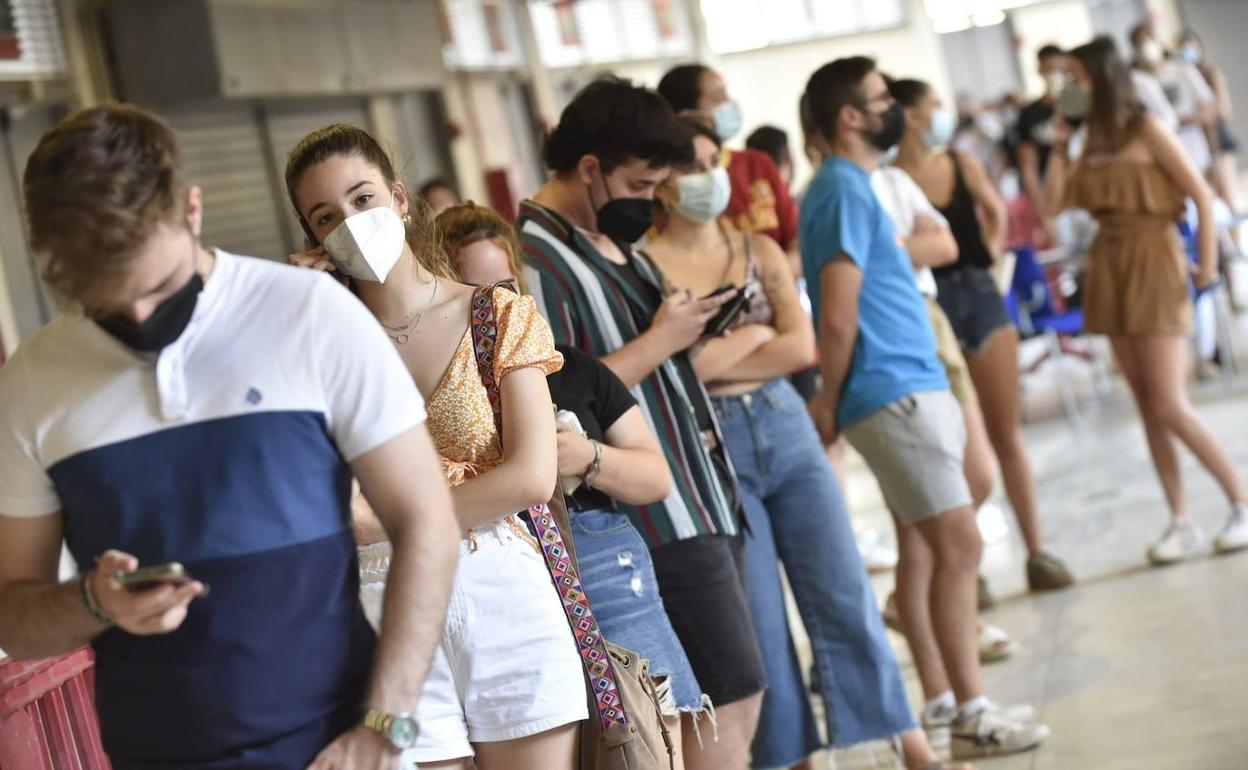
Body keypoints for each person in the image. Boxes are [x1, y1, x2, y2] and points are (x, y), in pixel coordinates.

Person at [0, 105, 460, 770]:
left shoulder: (311, 315)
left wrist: (385, 729)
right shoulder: (32, 383)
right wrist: (93, 601)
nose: (139, 316)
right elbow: (14, 611)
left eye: (157, 285)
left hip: (339, 748)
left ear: (191, 209)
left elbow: (427, 522)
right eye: (104, 302)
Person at [645, 116, 964, 770]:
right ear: (660, 181)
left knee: (842, 589)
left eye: (712, 160)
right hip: (713, 446)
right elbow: (675, 370)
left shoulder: (756, 249)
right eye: (688, 164)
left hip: (786, 424)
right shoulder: (645, 266)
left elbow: (801, 346)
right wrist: (752, 342)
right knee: (761, 620)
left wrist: (720, 350)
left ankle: (910, 745)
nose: (706, 175)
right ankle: (794, 759)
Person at [285, 124, 586, 769]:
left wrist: (391, 519)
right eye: (326, 217)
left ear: (399, 198)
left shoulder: (495, 313)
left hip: (502, 590)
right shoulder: (314, 346)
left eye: (363, 199)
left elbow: (533, 477)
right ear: (313, 242)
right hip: (376, 609)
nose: (351, 222)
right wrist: (294, 310)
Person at [801, 57, 1050, 760]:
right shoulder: (844, 189)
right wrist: (829, 396)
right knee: (960, 542)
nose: (898, 112)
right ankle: (972, 711)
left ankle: (946, 700)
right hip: (890, 386)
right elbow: (840, 310)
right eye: (882, 99)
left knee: (924, 549)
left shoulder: (853, 186)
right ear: (850, 116)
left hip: (908, 377)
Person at [518, 77, 767, 770]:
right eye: (640, 182)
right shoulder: (538, 263)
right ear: (590, 168)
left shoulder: (611, 244)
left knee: (726, 698)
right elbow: (564, 400)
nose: (652, 199)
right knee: (714, 704)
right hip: (651, 518)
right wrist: (660, 340)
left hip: (699, 490)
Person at [437, 201, 712, 768]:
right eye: (476, 291)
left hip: (603, 560)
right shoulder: (437, 393)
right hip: (501, 569)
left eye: (506, 286)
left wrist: (585, 457)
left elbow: (656, 476)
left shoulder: (573, 368)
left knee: (648, 735)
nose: (497, 307)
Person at [1043, 40, 1248, 564]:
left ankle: (1240, 500)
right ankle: (1181, 519)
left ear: (1101, 78)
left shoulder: (1148, 129)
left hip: (1154, 256)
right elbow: (1055, 204)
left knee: (1169, 402)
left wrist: (1205, 266)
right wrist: (1060, 144)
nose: (1069, 88)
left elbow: (1201, 195)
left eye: (1077, 77)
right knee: (1146, 406)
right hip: (1108, 261)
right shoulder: (1086, 140)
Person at [891, 77, 1075, 593]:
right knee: (954, 444)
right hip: (928, 304)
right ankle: (965, 564)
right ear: (912, 116)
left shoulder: (957, 162)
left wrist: (991, 255)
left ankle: (1037, 551)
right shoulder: (891, 179)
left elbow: (995, 212)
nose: (941, 114)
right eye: (932, 107)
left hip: (978, 293)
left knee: (1005, 432)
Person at [658, 64, 802, 268]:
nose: (729, 104)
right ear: (686, 115)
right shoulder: (670, 183)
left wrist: (770, 281)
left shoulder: (757, 163)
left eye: (715, 163)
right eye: (717, 98)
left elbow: (795, 240)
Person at [1176, 30, 1239, 232]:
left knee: (1228, 196)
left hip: (1217, 141)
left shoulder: (1210, 72)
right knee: (1209, 199)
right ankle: (1226, 248)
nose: (1186, 50)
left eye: (1190, 45)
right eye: (1182, 46)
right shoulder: (1180, 74)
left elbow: (1222, 111)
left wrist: (1192, 118)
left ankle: (1237, 246)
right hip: (1197, 145)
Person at [1014, 44, 1069, 245]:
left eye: (1060, 70)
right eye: (1049, 70)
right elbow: (1028, 167)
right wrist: (1043, 212)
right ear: (1040, 71)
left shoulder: (1080, 107)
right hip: (1054, 199)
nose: (1054, 75)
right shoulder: (1030, 115)